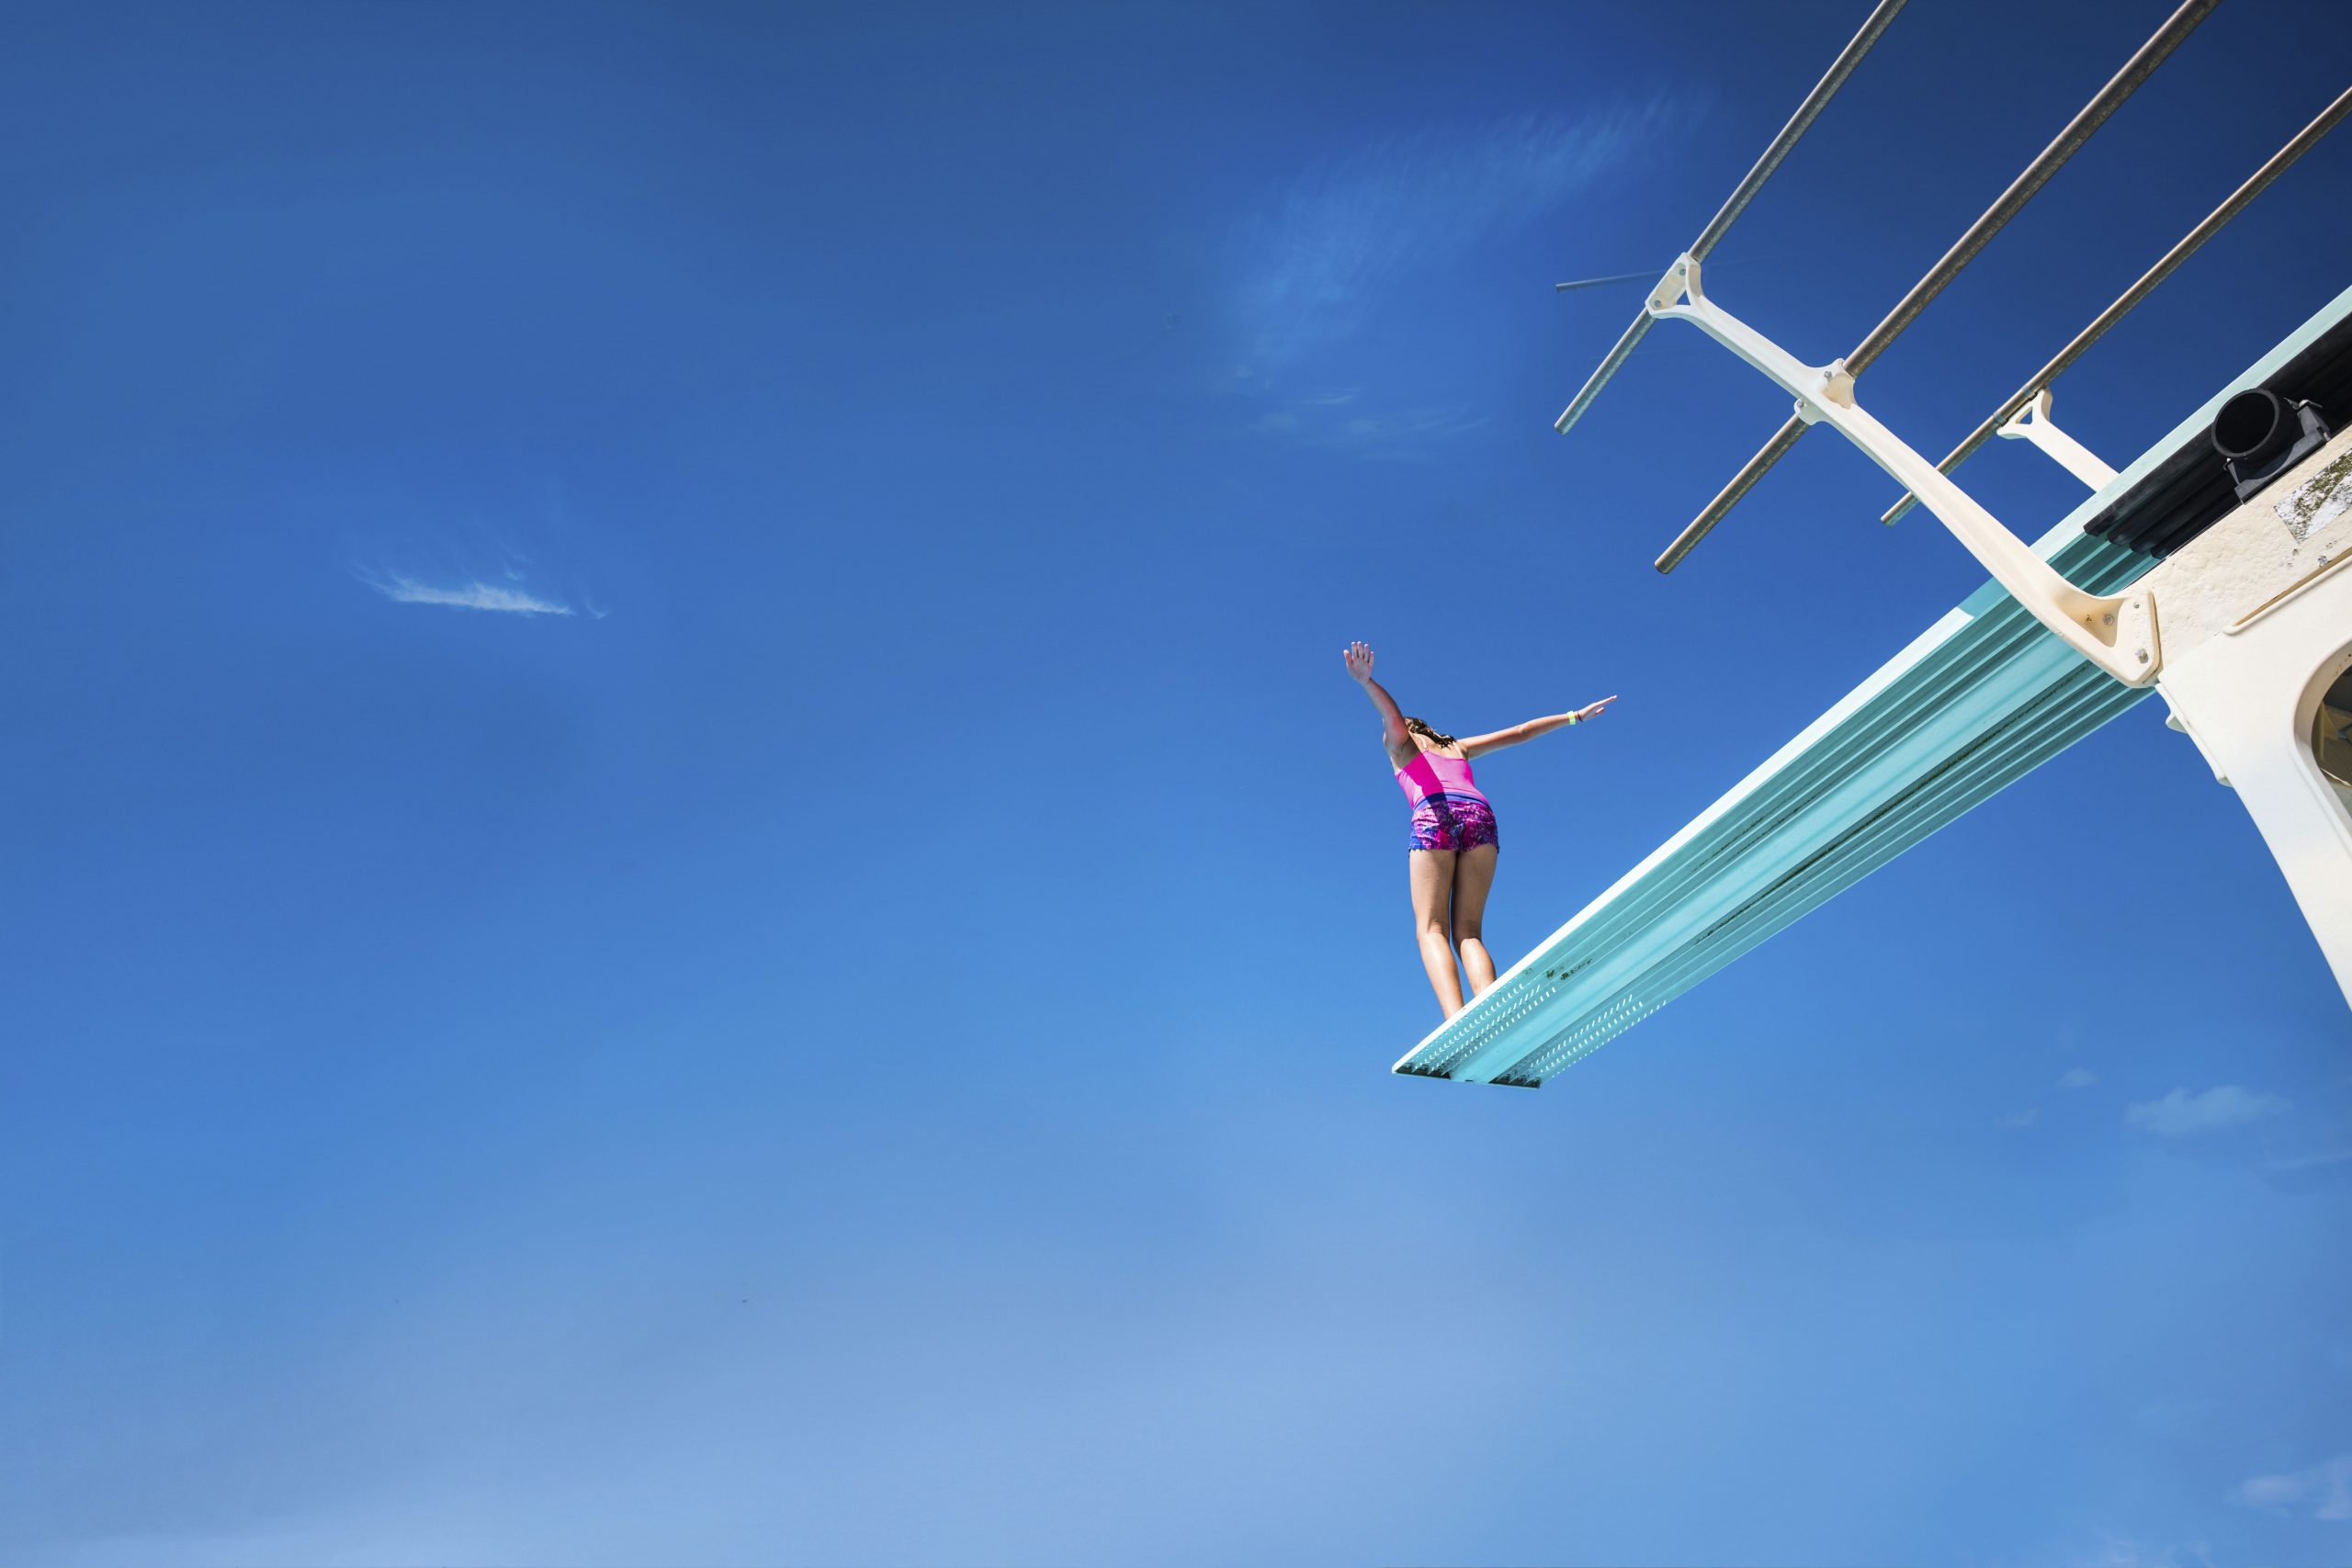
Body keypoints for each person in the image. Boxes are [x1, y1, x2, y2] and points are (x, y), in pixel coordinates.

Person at [1342, 639, 1615, 1018]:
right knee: (1469, 932)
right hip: (1480, 817)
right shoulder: (1458, 747)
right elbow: (1520, 732)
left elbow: (1391, 715)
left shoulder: (1402, 744)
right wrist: (1574, 717)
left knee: (1431, 928)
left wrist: (1366, 683)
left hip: (1435, 816)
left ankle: (1457, 1020)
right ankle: (1492, 1012)